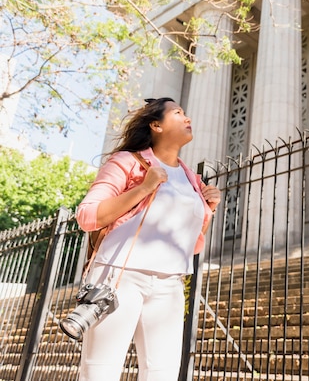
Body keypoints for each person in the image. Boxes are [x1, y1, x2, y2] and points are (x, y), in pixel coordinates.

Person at [74, 97, 221, 381]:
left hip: (170, 283)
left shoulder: (192, 179)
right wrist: (144, 187)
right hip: (118, 277)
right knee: (100, 371)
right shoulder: (128, 161)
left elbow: (191, 244)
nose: (187, 117)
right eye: (178, 113)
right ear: (156, 125)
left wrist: (208, 210)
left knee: (162, 374)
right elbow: (88, 215)